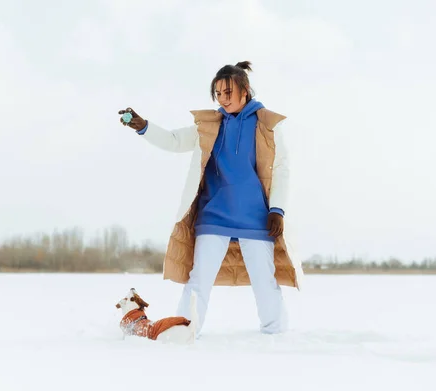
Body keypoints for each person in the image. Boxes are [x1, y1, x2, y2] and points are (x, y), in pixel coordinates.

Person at [119, 61, 301, 337]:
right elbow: (174, 140)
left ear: (245, 91)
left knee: (265, 281)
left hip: (256, 217)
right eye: (218, 93)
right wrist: (143, 126)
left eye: (228, 92)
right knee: (198, 280)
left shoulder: (266, 124)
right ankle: (184, 330)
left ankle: (276, 335)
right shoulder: (210, 124)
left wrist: (277, 209)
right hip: (213, 215)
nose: (223, 98)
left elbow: (282, 168)